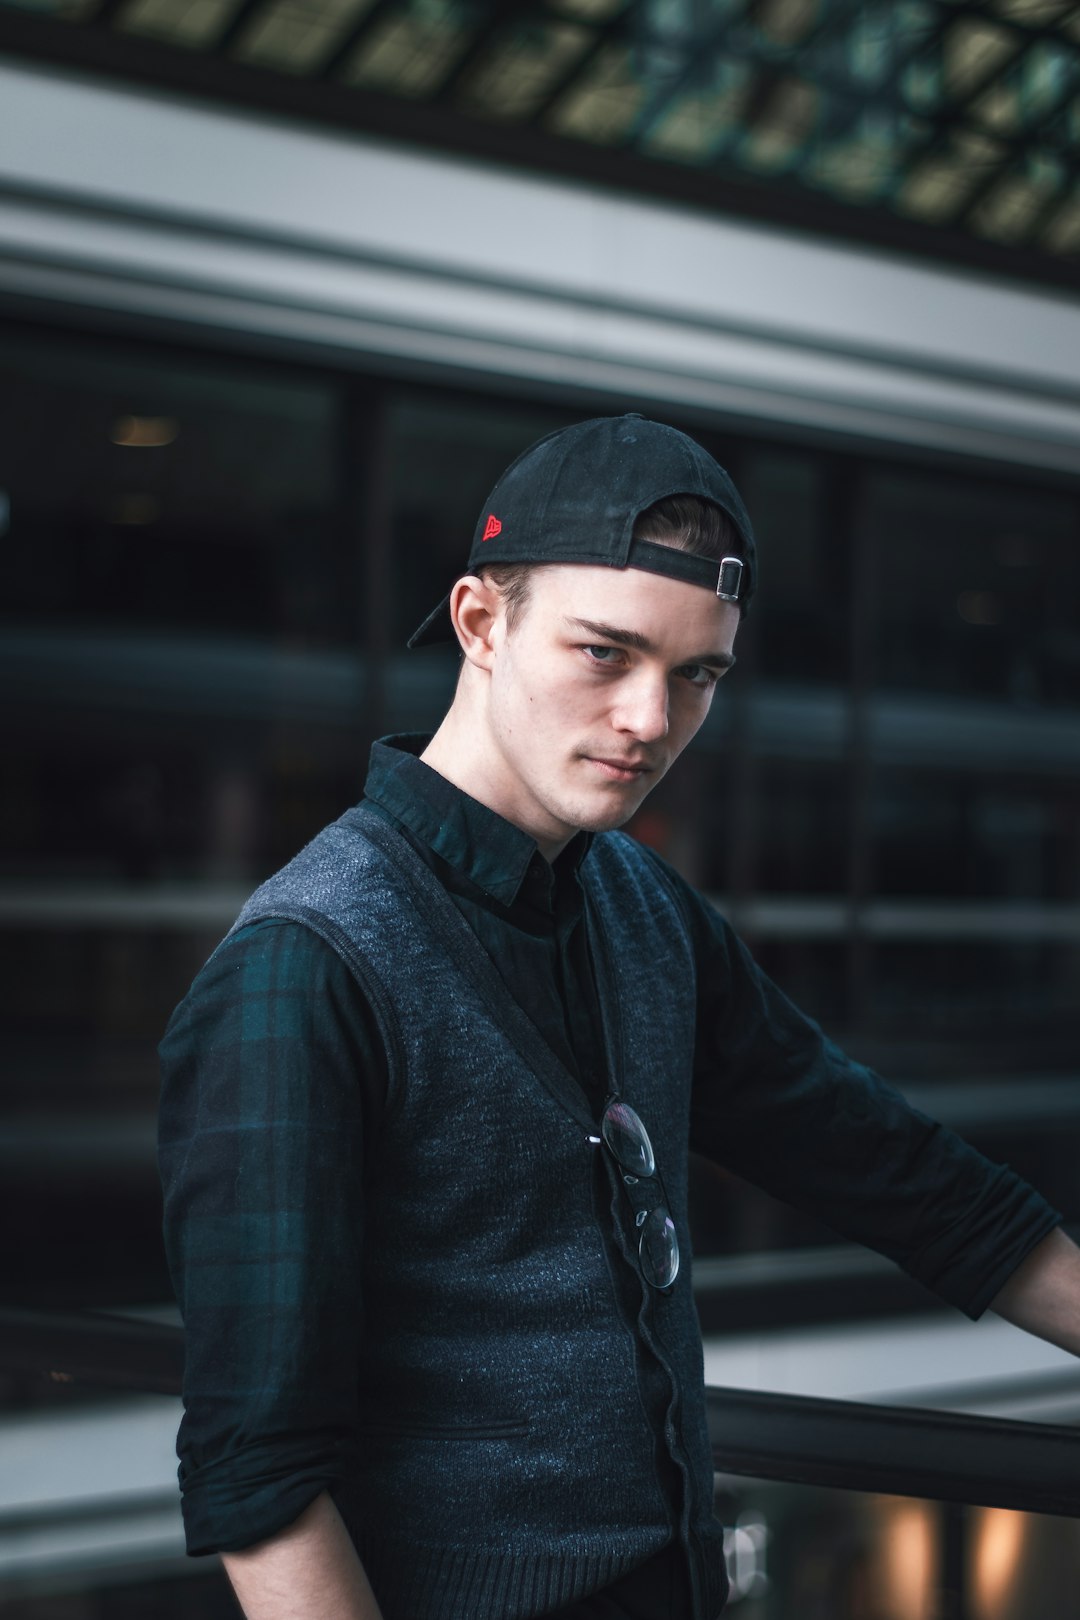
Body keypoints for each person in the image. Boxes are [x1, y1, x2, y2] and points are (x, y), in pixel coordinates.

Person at [158, 414, 1080, 1620]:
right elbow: (259, 1479)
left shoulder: (637, 902)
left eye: (697, 673)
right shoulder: (303, 968)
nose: (653, 718)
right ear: (483, 624)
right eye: (606, 653)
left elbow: (894, 1173)